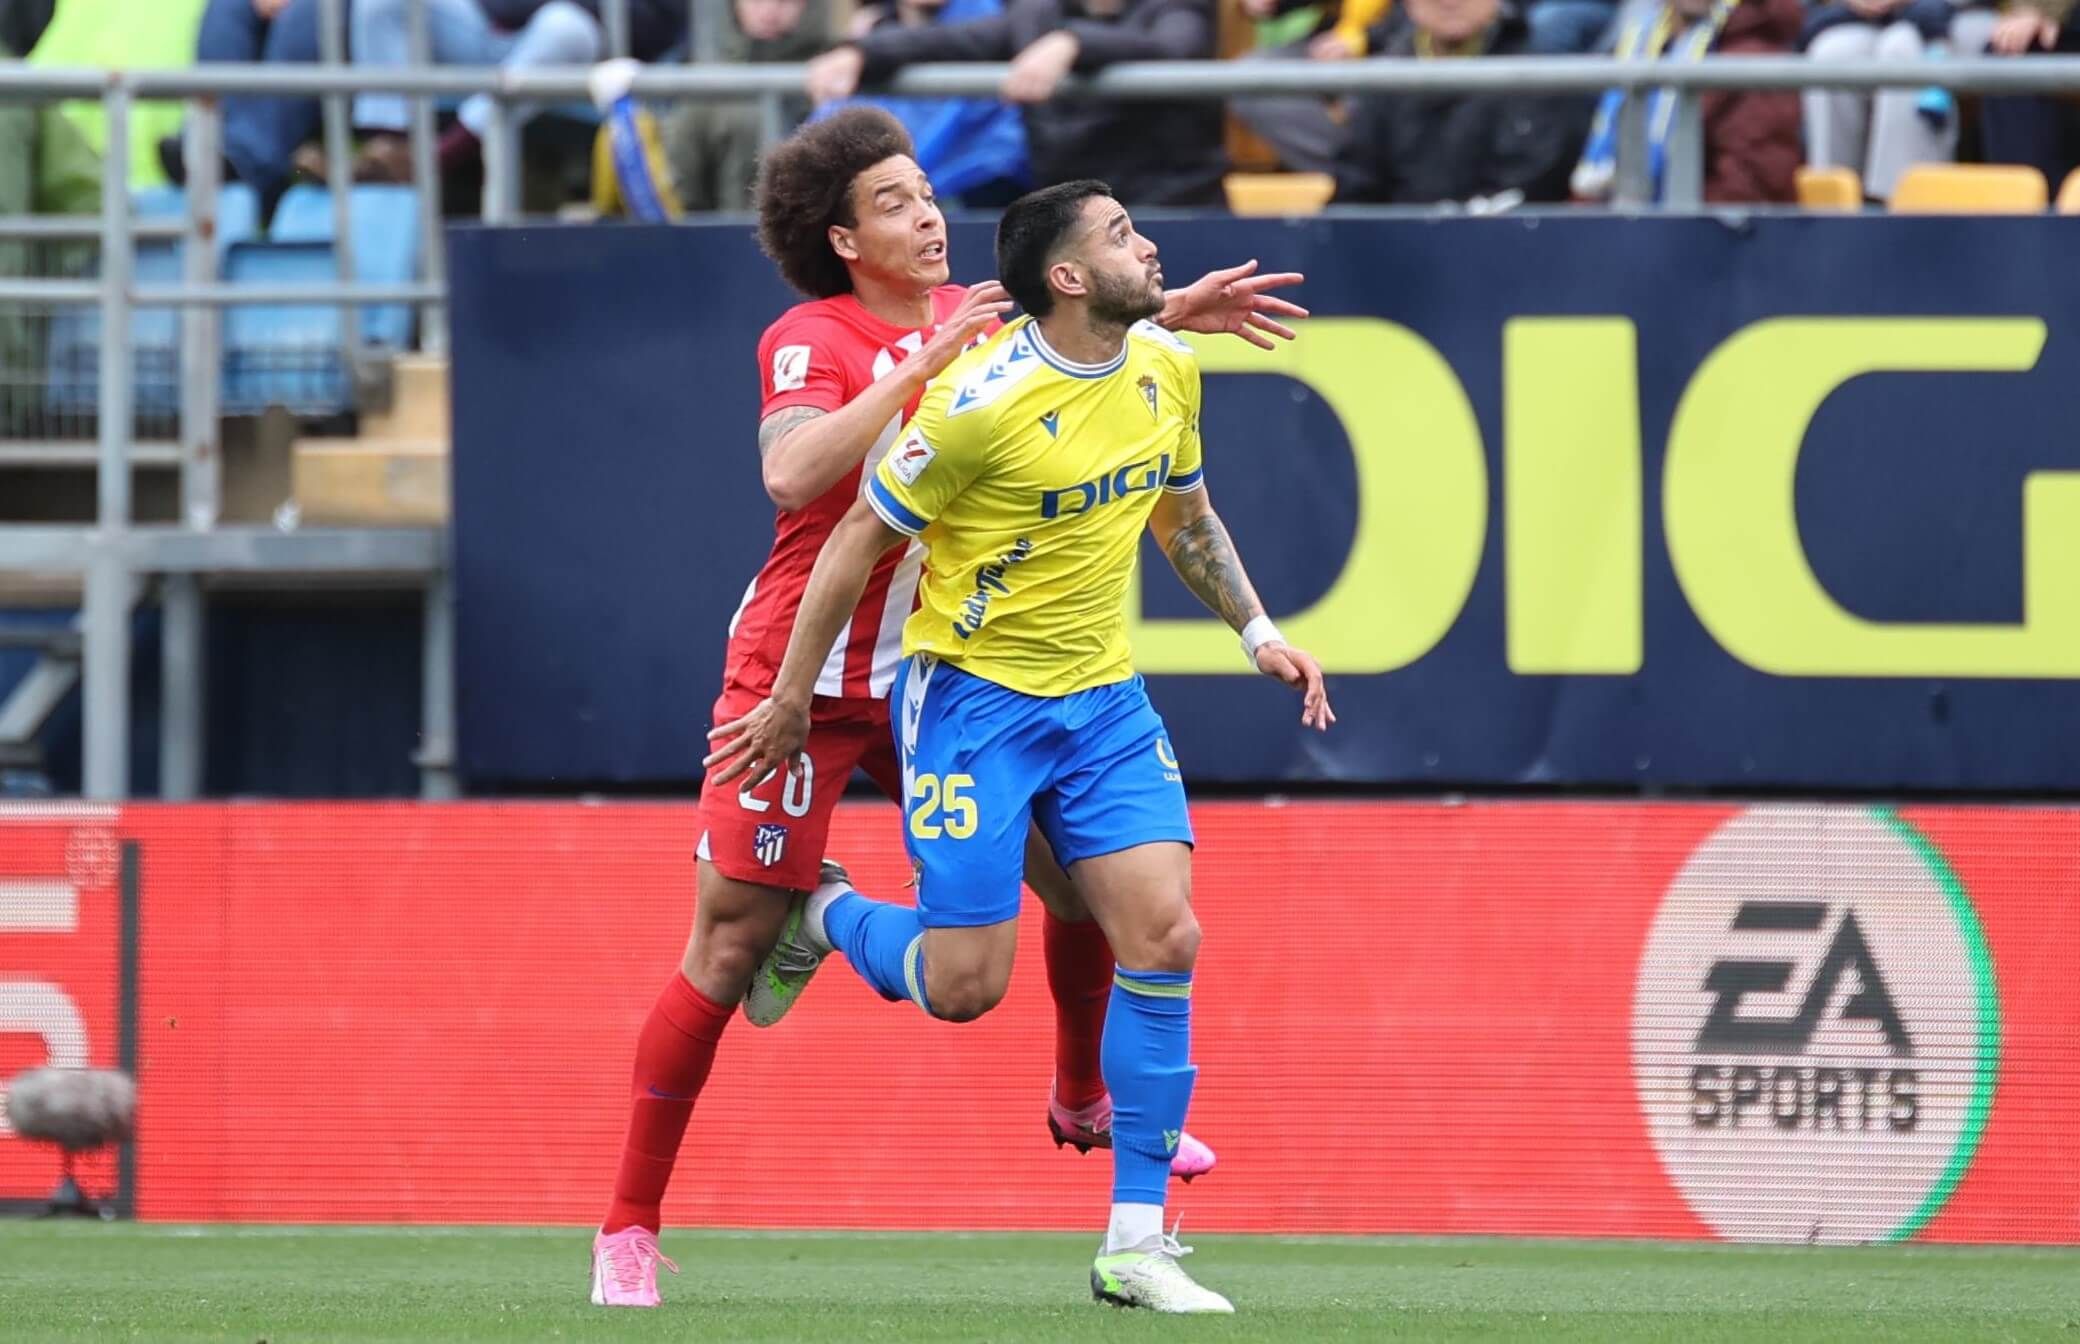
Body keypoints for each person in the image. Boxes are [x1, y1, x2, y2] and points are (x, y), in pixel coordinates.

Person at [587, 107, 1306, 1310]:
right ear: (843, 238)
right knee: (729, 942)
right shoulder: (811, 335)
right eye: (894, 203)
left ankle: (1086, 1093)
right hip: (808, 676)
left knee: (1085, 884)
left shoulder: (986, 312)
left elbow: (1070, 364)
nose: (927, 216)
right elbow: (792, 473)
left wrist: (1172, 314)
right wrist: (920, 366)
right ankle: (628, 1223)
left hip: (948, 671)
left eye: (927, 194)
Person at [803, 0, 1227, 206]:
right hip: (1072, 223)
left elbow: (1176, 46)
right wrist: (860, 52)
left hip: (1175, 214)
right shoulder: (1037, 15)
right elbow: (948, 40)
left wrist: (1074, 44)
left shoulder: (1177, 7)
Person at [348, 0, 686, 182]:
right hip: (491, 29)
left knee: (565, 26)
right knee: (383, 3)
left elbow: (659, 23)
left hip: (584, 54)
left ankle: (435, 158)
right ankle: (388, 148)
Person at [1334, 0, 1590, 206]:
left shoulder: (1541, 78)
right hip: (1397, 255)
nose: (1450, 3)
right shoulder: (1380, 82)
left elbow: (1531, 188)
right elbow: (1356, 190)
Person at [1571, 0, 1802, 205]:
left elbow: (1747, 193)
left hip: (1697, 241)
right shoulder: (1643, 40)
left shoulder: (1753, 58)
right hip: (1632, 231)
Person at [660, 0, 826, 212]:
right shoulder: (697, 61)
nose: (769, 11)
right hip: (691, 230)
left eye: (785, 2)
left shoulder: (829, 63)